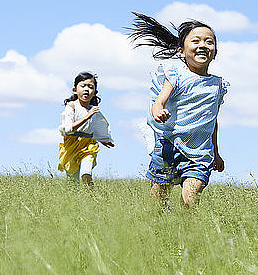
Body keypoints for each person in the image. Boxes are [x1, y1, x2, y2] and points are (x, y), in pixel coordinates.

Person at [127, 12, 229, 207]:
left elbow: (212, 121)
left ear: (215, 52)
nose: (203, 45)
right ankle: (154, 232)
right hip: (169, 146)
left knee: (190, 200)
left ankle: (186, 236)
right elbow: (159, 102)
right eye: (196, 41)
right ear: (182, 51)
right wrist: (158, 111)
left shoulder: (219, 85)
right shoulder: (176, 76)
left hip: (200, 153)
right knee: (157, 200)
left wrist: (216, 152)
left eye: (209, 42)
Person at [58, 72, 115, 186]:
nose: (86, 89)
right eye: (83, 86)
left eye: (90, 87)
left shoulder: (93, 110)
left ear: (95, 93)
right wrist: (87, 116)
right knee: (72, 183)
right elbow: (69, 128)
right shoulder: (71, 106)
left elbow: (96, 127)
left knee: (86, 173)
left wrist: (104, 140)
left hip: (88, 145)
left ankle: (92, 196)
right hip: (71, 144)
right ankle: (76, 201)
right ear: (75, 89)